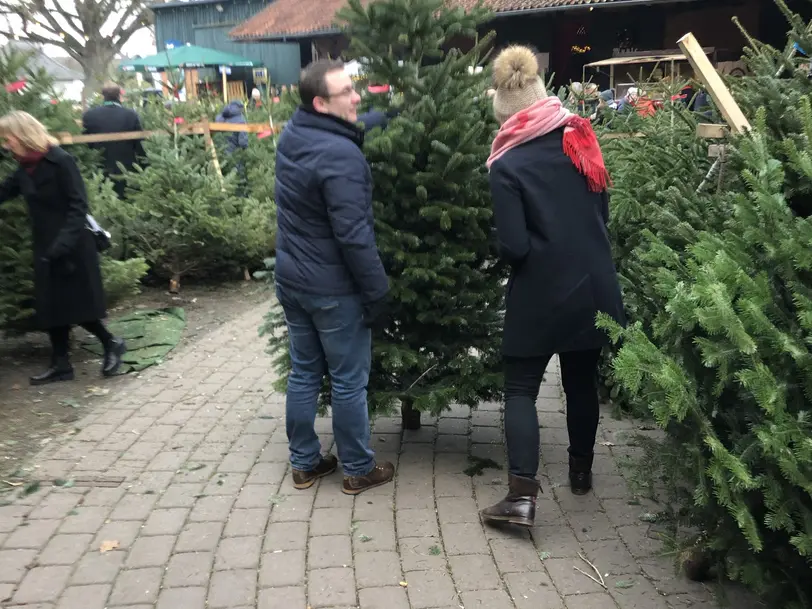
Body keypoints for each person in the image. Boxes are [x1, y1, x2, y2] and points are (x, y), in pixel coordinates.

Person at [479, 46, 625, 527]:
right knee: (581, 381)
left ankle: (521, 499)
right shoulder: (579, 138)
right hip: (592, 285)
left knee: (521, 388)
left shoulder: (506, 165)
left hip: (540, 292)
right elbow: (602, 214)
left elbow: (515, 247)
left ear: (505, 113)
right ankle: (580, 473)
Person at [274, 59, 394, 496]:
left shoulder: (296, 132)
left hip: (292, 280)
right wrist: (377, 290)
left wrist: (388, 116)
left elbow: (348, 125)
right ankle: (358, 468)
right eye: (347, 93)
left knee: (304, 372)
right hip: (333, 289)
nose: (357, 96)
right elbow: (354, 235)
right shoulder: (342, 156)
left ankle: (304, 464)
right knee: (348, 380)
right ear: (321, 102)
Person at [0, 111, 127, 385]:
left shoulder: (61, 161)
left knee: (78, 305)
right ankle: (61, 365)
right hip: (46, 244)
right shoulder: (24, 167)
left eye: (7, 139)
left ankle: (111, 343)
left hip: (72, 245)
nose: (5, 144)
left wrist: (62, 245)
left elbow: (78, 206)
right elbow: (4, 192)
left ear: (21, 134)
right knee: (52, 306)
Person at [82, 83, 146, 199]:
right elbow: (140, 144)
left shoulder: (89, 116)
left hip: (99, 170)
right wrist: (144, 167)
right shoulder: (131, 115)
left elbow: (85, 144)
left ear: (103, 96)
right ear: (119, 95)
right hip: (126, 169)